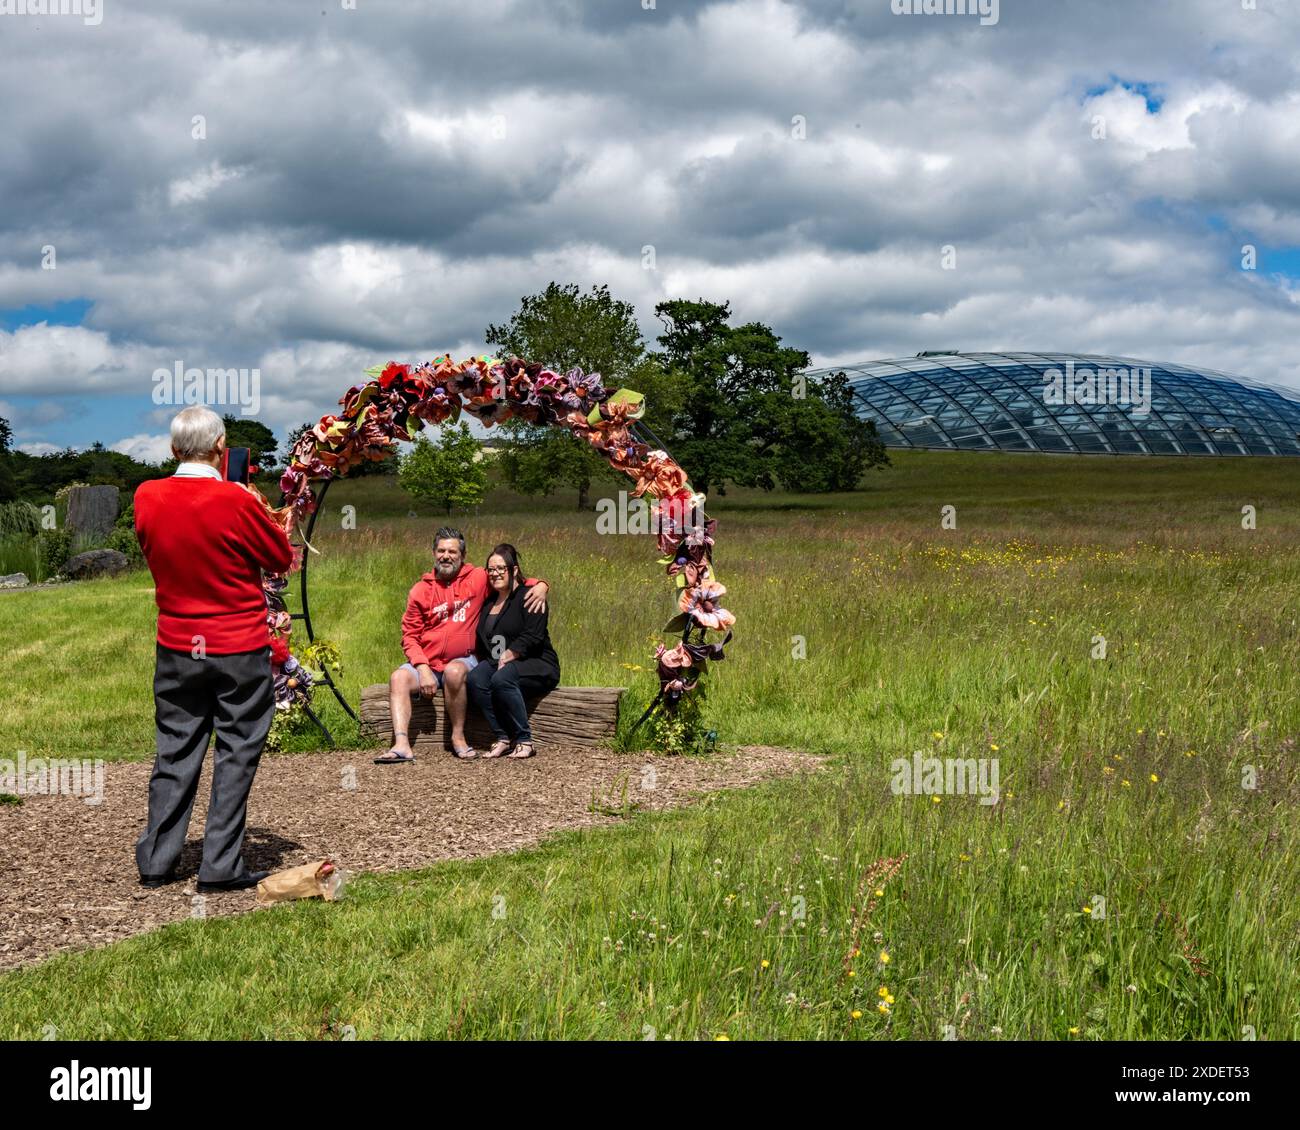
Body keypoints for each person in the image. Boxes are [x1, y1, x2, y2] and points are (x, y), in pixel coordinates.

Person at [133, 406, 293, 892]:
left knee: (175, 748)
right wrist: (249, 502)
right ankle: (220, 864)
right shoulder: (235, 501)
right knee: (237, 750)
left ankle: (158, 859)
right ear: (222, 450)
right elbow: (280, 558)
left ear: (173, 449)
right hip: (237, 644)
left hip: (178, 643)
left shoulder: (146, 496)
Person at [378, 528, 549, 762]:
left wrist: (541, 585)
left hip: (464, 660)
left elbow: (508, 578)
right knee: (398, 677)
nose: (446, 556)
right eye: (441, 551)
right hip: (428, 662)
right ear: (433, 553)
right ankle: (401, 745)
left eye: (452, 551)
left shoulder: (477, 578)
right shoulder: (420, 590)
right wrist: (422, 667)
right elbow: (410, 635)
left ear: (463, 555)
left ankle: (458, 738)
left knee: (454, 671)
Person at [466, 543, 561, 759]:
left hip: (537, 662)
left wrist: (511, 654)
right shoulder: (489, 602)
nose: (495, 573)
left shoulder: (530, 596)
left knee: (502, 678)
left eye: (501, 568)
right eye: (491, 569)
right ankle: (502, 737)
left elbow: (533, 636)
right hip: (500, 661)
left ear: (514, 570)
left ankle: (524, 740)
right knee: (476, 678)